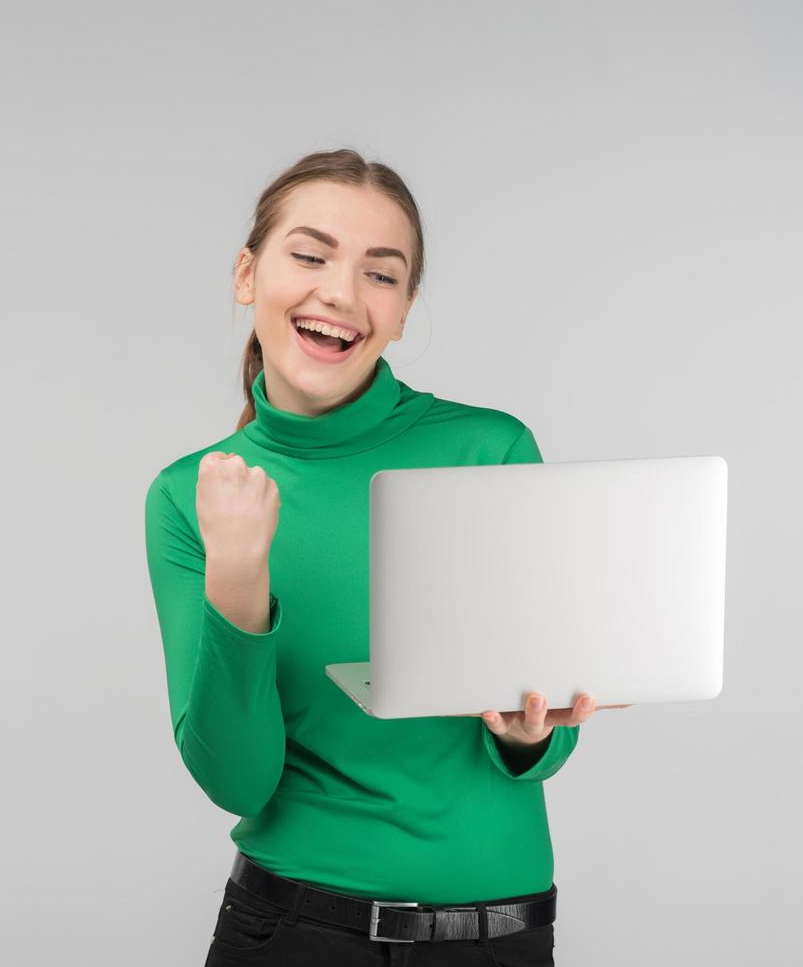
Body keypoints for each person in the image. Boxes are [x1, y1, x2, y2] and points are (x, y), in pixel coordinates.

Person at [144, 148, 631, 966]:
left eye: (380, 273)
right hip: (296, 937)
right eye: (308, 255)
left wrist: (525, 735)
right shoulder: (188, 496)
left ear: (403, 310)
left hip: (500, 937)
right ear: (245, 274)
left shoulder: (490, 448)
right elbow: (237, 781)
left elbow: (547, 739)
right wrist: (237, 583)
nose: (339, 292)